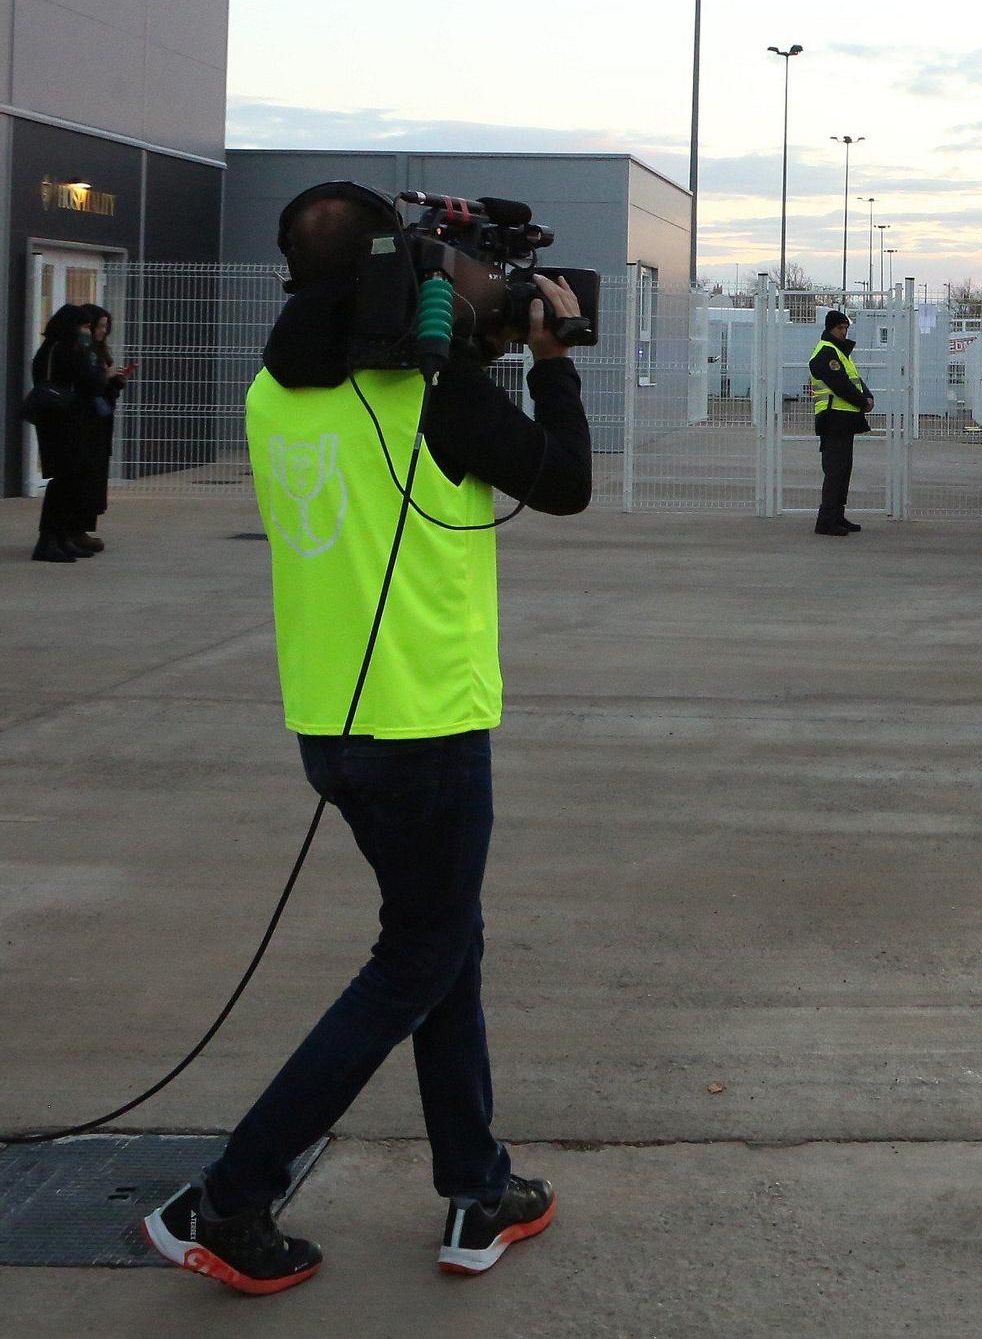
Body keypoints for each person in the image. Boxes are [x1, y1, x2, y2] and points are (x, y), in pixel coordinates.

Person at [142, 182, 593, 1296]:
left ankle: (475, 1180)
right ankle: (230, 1195)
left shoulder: (270, 389)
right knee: (412, 961)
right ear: (405, 274)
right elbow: (568, 483)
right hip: (425, 720)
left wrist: (455, 318)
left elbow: (371, 355)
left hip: (329, 724)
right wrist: (547, 357)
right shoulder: (423, 393)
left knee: (445, 944)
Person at [26, 305, 96, 562]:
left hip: (54, 420)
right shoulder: (64, 350)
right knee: (65, 479)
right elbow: (90, 382)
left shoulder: (50, 349)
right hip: (61, 421)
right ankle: (49, 540)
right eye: (85, 327)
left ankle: (60, 538)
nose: (87, 332)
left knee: (69, 479)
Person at [72, 304, 133, 553]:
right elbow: (86, 384)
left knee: (96, 473)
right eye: (97, 326)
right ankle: (76, 530)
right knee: (85, 474)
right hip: (87, 421)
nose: (100, 331)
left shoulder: (99, 351)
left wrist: (117, 379)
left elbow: (101, 384)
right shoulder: (83, 352)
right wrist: (105, 378)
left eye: (104, 327)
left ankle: (84, 528)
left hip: (100, 418)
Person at [808, 308, 873, 535]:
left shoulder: (839, 352)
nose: (844, 332)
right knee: (835, 470)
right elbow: (841, 385)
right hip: (832, 416)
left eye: (846, 328)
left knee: (843, 469)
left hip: (843, 417)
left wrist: (867, 395)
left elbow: (854, 380)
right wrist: (863, 401)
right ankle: (826, 521)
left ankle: (837, 514)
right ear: (830, 328)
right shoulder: (826, 352)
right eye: (840, 328)